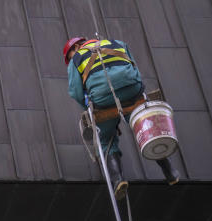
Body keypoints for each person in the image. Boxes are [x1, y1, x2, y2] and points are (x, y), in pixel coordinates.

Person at [64, 36, 179, 199]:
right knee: (144, 125)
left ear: (75, 47)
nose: (71, 59)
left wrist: (90, 109)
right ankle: (170, 171)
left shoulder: (76, 59)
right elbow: (133, 66)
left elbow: (76, 92)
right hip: (131, 89)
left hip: (103, 99)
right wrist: (136, 88)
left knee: (105, 139)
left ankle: (118, 179)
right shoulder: (116, 43)